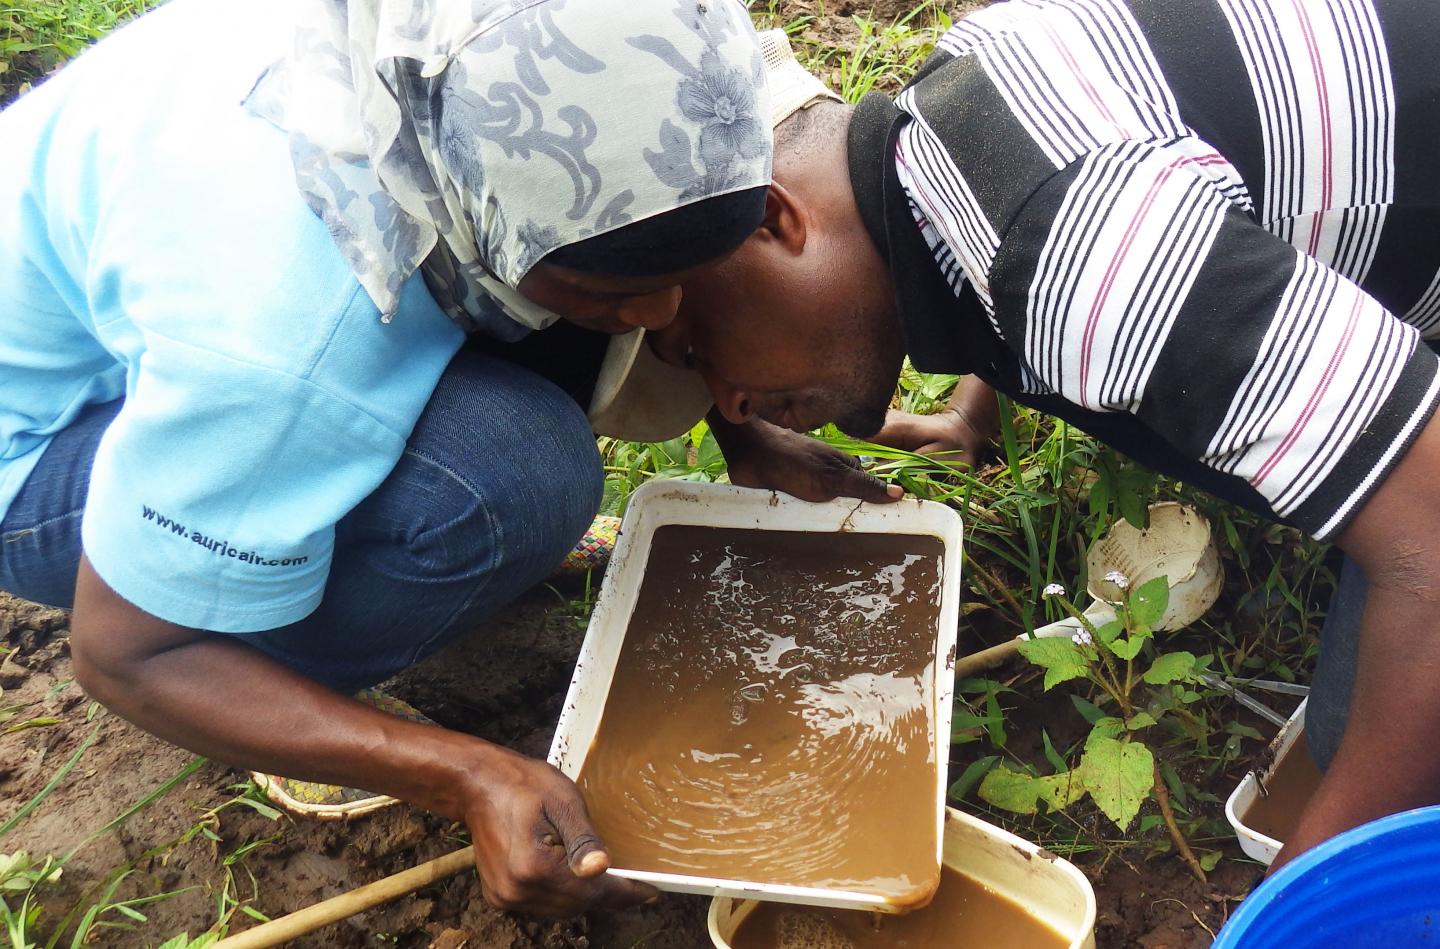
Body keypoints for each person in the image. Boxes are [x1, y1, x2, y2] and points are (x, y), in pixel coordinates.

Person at [0, 0, 804, 917]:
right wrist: (462, 774)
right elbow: (127, 654)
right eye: (610, 286)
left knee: (535, 400)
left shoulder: (464, 64)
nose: (660, 314)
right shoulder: (283, 346)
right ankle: (288, 679)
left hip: (137, 303)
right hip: (36, 440)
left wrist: (744, 424)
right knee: (510, 481)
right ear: (470, 213)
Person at [657, 0, 1440, 871]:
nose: (729, 404)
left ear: (775, 221)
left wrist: (1301, 897)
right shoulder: (953, 119)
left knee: (1365, 759)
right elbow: (1022, 266)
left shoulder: (1080, 248)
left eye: (699, 348)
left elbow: (1436, 539)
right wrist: (973, 413)